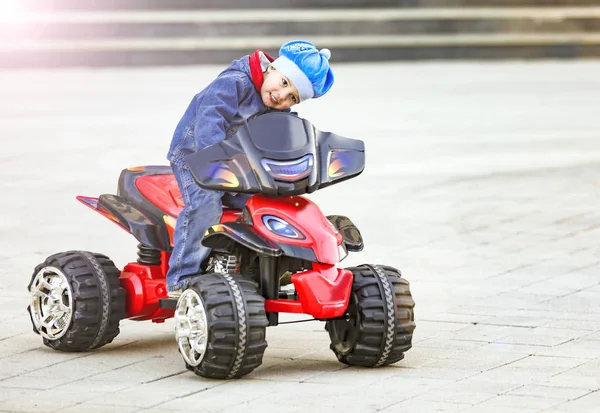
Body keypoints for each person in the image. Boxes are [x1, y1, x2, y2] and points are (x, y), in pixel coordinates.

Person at [165, 40, 335, 293]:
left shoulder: (272, 101)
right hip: (196, 159)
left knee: (265, 205)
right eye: (285, 83)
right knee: (205, 205)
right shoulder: (235, 82)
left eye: (292, 98)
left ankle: (264, 264)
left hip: (238, 168)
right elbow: (210, 118)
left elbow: (286, 129)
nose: (282, 97)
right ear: (273, 68)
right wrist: (214, 159)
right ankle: (183, 276)